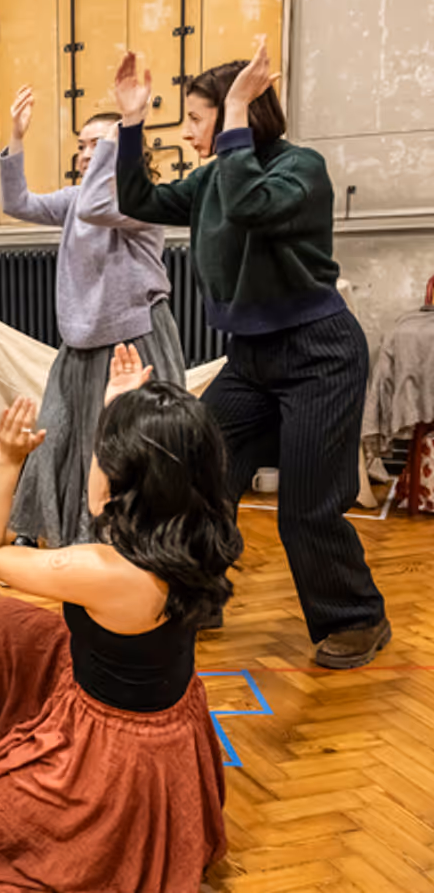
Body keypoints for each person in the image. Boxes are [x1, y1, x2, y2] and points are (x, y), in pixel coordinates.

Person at [0, 345, 239, 892]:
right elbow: (98, 504)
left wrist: (9, 460)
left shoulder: (101, 570)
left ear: (130, 476)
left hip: (115, 746)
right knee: (6, 625)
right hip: (171, 719)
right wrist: (115, 405)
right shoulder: (199, 525)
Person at [112, 37, 390, 667]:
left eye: (195, 118)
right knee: (199, 473)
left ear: (240, 113)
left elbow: (248, 203)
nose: (185, 132)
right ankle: (198, 597)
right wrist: (131, 123)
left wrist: (237, 108)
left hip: (320, 354)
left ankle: (356, 617)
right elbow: (139, 202)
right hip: (251, 360)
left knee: (305, 509)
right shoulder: (213, 176)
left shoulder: (301, 170)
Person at [0, 85, 182, 549]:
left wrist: (125, 132)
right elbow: (18, 203)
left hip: (132, 341)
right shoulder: (76, 200)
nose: (84, 155)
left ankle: (134, 544)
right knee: (57, 433)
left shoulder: (139, 202)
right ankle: (47, 529)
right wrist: (16, 139)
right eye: (80, 146)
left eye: (95, 145)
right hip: (80, 343)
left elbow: (101, 205)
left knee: (129, 448)